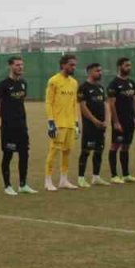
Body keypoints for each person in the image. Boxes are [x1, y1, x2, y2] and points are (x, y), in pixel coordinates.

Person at [0, 56, 35, 195]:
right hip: (8, 127)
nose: (20, 67)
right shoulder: (3, 85)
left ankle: (23, 185)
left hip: (22, 126)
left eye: (22, 65)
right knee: (8, 155)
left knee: (24, 155)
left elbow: (20, 102)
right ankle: (7, 186)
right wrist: (5, 118)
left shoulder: (23, 83)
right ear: (10, 66)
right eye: (17, 65)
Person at [43, 53, 80, 191]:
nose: (73, 67)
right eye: (71, 64)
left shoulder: (74, 82)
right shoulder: (53, 81)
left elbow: (74, 104)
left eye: (74, 65)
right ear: (63, 65)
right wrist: (51, 122)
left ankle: (63, 180)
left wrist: (76, 122)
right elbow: (49, 102)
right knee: (54, 151)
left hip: (70, 123)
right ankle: (48, 181)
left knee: (67, 152)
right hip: (58, 123)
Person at [106, 57, 135, 184]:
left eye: (130, 65)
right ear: (120, 66)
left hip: (130, 120)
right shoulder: (114, 84)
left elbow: (133, 102)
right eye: (126, 65)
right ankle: (114, 175)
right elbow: (111, 104)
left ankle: (126, 174)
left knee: (126, 146)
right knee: (115, 145)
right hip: (119, 121)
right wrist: (115, 122)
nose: (129, 68)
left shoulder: (131, 83)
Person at [76, 62, 109, 188]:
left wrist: (106, 120)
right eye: (97, 71)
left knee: (99, 151)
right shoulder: (83, 87)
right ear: (90, 72)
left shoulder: (100, 87)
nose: (100, 73)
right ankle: (81, 178)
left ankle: (96, 177)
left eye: (100, 71)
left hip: (101, 125)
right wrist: (94, 120)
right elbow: (83, 107)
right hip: (90, 126)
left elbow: (105, 105)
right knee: (86, 151)